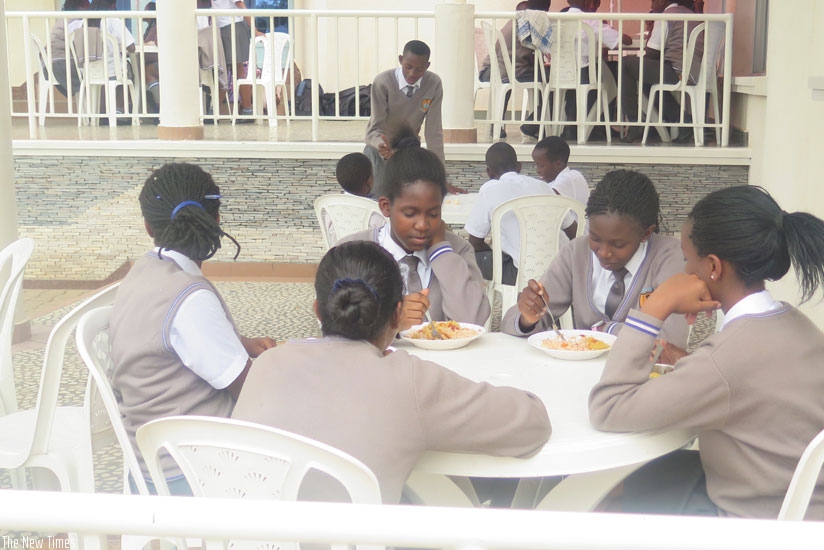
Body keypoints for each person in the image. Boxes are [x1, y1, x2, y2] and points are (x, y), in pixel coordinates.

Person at [231, 240, 551, 504]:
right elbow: (532, 424)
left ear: (317, 310)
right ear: (398, 314)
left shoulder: (267, 364)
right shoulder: (407, 381)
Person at [589, 185, 824, 519]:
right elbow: (749, 387)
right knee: (634, 478)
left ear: (713, 267)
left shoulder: (724, 360)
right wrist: (692, 365)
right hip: (797, 505)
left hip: (754, 524)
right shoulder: (797, 324)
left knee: (605, 497)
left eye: (687, 259)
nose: (683, 272)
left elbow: (608, 409)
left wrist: (657, 305)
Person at [109, 162, 276, 494]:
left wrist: (239, 343)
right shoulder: (189, 298)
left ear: (147, 226)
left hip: (151, 460)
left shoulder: (145, 272)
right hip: (194, 472)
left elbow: (168, 338)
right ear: (216, 221)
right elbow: (250, 393)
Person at [502, 169, 689, 349]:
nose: (604, 253)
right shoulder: (577, 253)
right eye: (595, 239)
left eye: (618, 245)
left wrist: (605, 331)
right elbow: (511, 323)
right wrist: (528, 317)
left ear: (646, 233)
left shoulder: (669, 258)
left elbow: (670, 340)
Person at [339, 139, 491, 331]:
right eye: (410, 214)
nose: (422, 225)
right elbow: (336, 329)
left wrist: (441, 252)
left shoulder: (458, 251)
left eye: (433, 214)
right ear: (386, 206)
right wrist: (390, 324)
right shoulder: (352, 251)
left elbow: (471, 322)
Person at [363, 40, 446, 199]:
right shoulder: (383, 82)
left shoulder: (433, 84)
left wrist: (440, 175)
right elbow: (374, 130)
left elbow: (434, 133)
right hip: (379, 151)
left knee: (409, 200)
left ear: (427, 66)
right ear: (401, 60)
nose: (412, 74)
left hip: (408, 152)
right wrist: (382, 146)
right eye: (408, 67)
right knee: (379, 199)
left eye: (419, 69)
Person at [465, 142, 554, 284]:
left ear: (489, 172)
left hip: (518, 273)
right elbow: (572, 230)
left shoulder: (490, 191)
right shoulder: (544, 187)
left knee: (464, 256)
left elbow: (474, 243)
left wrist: (495, 254)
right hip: (557, 271)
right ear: (519, 166)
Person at [621, 0, 701, 143]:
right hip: (696, 72)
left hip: (677, 71)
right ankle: (683, 120)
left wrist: (638, 64)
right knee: (645, 77)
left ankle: (634, 121)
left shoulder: (665, 17)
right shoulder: (690, 14)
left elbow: (652, 52)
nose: (651, 3)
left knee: (626, 64)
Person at [479, 0, 550, 139]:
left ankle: (497, 125)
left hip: (491, 69)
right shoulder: (531, 22)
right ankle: (535, 123)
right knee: (554, 81)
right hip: (509, 72)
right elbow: (536, 53)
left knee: (544, 76)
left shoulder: (515, 21)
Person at [531, 136, 590, 239]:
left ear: (558, 164)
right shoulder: (557, 180)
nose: (538, 170)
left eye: (541, 166)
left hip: (580, 238)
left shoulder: (570, 177)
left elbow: (547, 197)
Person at [323, 152, 386, 245]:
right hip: (371, 259)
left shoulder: (330, 211)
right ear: (369, 182)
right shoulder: (378, 213)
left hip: (339, 258)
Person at [211, 0, 254, 117]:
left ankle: (247, 109)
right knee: (226, 70)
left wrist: (253, 29)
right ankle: (215, 109)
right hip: (224, 28)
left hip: (232, 26)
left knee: (235, 69)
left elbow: (241, 5)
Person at [48, 0, 89, 98]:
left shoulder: (65, 18)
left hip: (50, 64)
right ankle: (96, 111)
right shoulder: (77, 20)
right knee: (96, 77)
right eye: (88, 3)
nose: (90, 6)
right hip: (62, 65)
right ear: (81, 6)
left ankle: (88, 110)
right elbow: (83, 48)